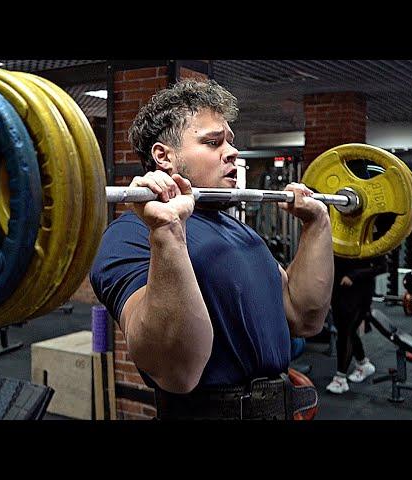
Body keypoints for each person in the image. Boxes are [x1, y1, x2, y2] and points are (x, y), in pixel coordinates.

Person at [90, 79, 333, 420]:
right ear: (163, 156)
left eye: (229, 142)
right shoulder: (128, 235)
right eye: (213, 142)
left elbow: (302, 316)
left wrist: (317, 224)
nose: (232, 152)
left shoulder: (239, 231)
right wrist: (168, 231)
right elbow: (176, 370)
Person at [325, 254, 387, 394]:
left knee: (346, 330)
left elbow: (382, 267)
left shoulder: (370, 238)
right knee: (345, 329)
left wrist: (354, 275)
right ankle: (363, 363)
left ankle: (340, 379)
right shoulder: (339, 235)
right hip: (339, 288)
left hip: (360, 289)